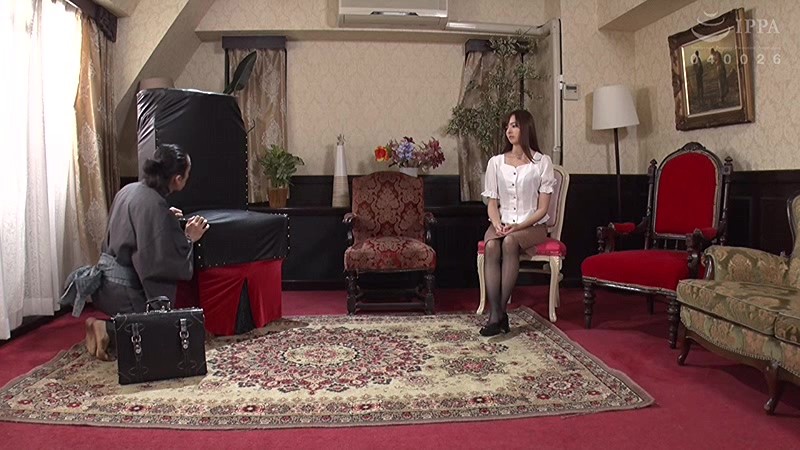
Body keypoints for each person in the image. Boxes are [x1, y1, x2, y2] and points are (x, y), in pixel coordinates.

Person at [61, 144, 210, 360]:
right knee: (166, 336)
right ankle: (108, 330)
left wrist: (165, 217)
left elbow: (136, 227)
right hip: (126, 293)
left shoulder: (130, 190)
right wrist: (189, 237)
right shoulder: (154, 206)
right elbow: (160, 264)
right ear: (178, 179)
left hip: (105, 287)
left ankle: (109, 325)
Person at [480, 110, 556, 336]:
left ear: (526, 128)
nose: (509, 130)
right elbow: (492, 203)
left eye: (514, 125)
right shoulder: (496, 162)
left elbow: (543, 209)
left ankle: (498, 314)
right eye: (507, 127)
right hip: (502, 222)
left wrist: (518, 227)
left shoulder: (542, 162)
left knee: (510, 242)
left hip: (532, 227)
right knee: (492, 246)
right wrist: (496, 224)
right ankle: (498, 315)